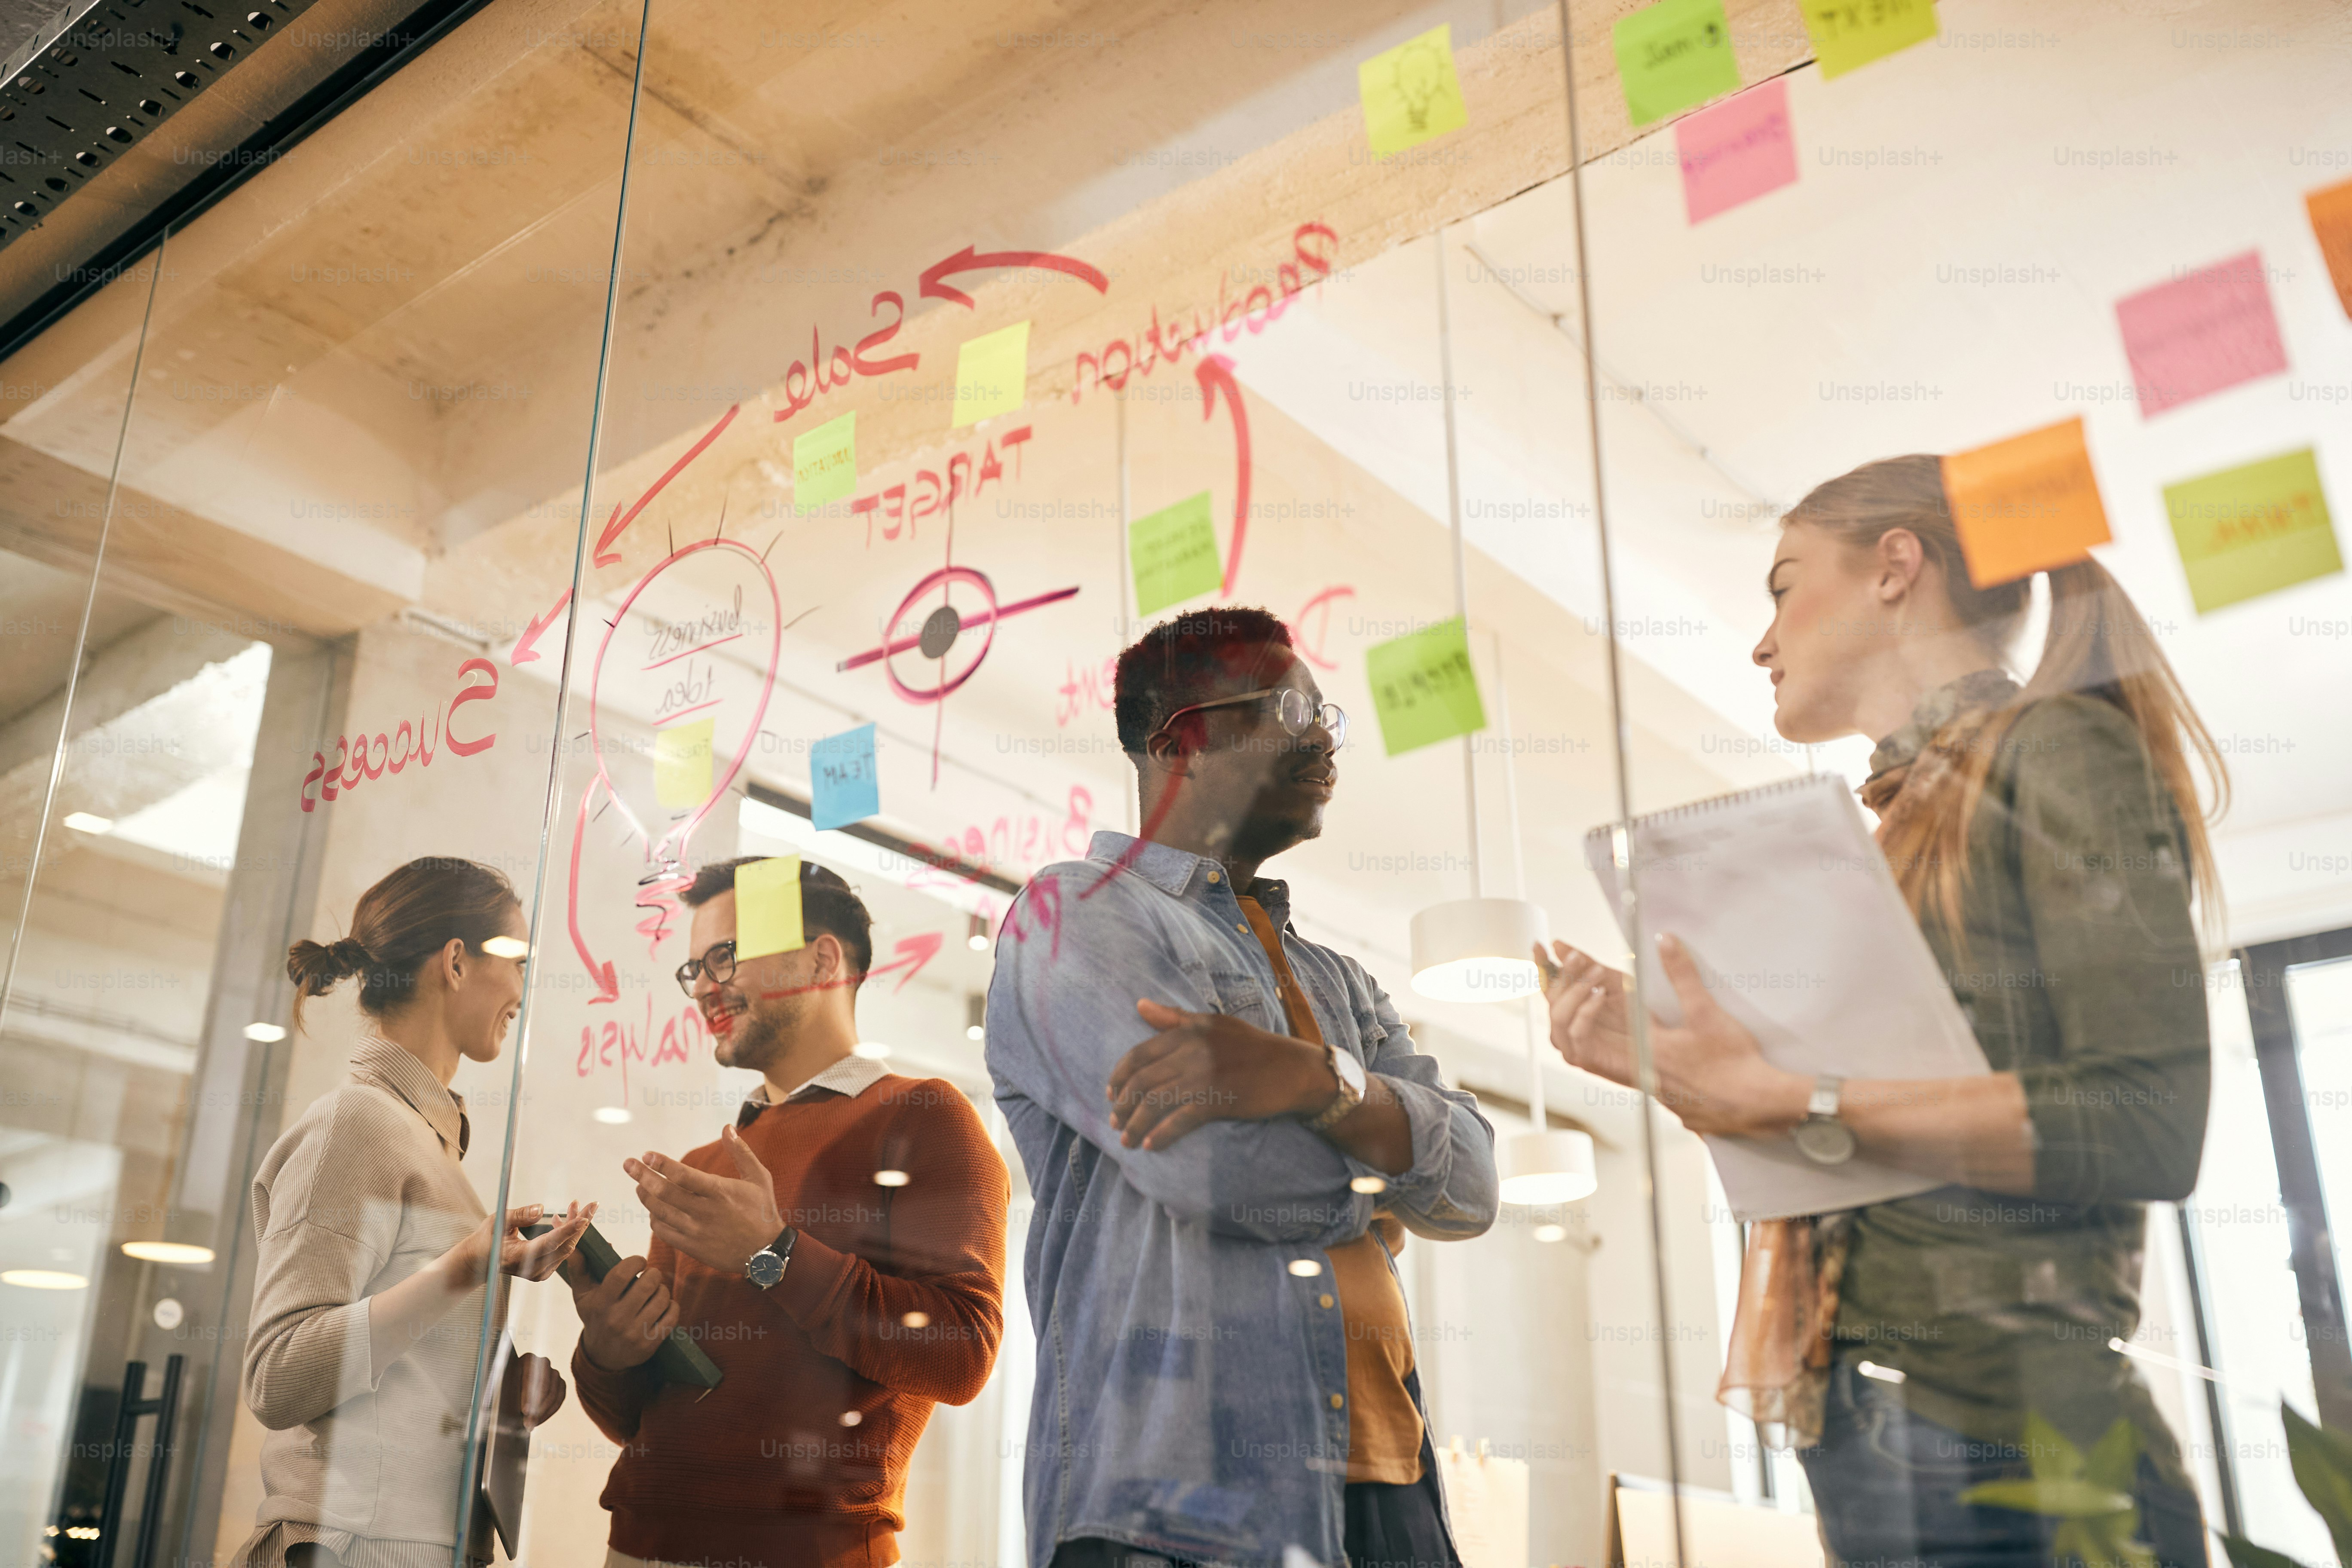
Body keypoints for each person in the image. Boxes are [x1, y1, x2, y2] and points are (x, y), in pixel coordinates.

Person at [1538, 456, 2225, 1568]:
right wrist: (1694, 1073)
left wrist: (1784, 1090)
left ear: (1897, 568)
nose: (1763, 641)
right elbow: (1867, 1152)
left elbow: (2147, 1118)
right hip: (1874, 1425)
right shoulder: (1904, 826)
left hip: (2013, 1443)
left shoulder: (2055, 749)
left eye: (1781, 585)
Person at [986, 606, 1498, 1568]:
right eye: (1291, 708)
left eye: (1325, 712)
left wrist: (1318, 1080)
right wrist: (1386, 1152)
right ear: (1184, 740)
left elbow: (1474, 1187)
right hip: (1176, 1507)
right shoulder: (1073, 915)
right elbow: (1220, 1170)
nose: (1323, 737)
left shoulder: (1336, 979)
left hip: (1390, 1486)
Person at [567, 856, 1008, 1568]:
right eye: (694, 969)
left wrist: (774, 1254)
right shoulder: (708, 1169)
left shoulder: (924, 1116)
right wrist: (607, 1353)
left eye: (725, 956)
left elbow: (962, 1355)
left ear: (823, 957)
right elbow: (641, 1422)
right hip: (635, 1547)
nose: (705, 987)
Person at [234, 857, 589, 1568]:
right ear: (455, 962)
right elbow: (278, 1378)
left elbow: (388, 1369)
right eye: (517, 960)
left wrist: (491, 1399)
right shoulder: (356, 1124)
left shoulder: (422, 1139)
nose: (522, 989)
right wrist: (463, 1272)